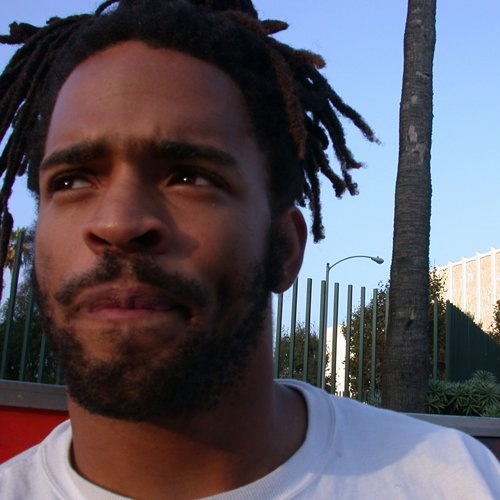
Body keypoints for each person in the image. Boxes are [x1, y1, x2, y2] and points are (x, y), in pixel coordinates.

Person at [0, 1, 498, 498]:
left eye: (189, 177)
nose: (117, 223)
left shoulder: (457, 482)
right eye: (71, 180)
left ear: (285, 247)